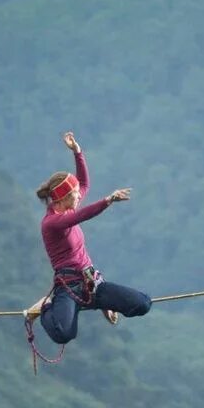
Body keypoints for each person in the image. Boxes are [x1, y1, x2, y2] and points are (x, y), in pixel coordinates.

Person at [25, 131, 151, 344]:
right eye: (74, 194)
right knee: (64, 334)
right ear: (63, 198)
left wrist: (77, 152)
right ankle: (45, 307)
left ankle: (101, 303)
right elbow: (84, 214)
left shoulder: (67, 207)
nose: (80, 195)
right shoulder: (52, 223)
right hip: (68, 286)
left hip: (91, 281)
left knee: (143, 303)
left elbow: (83, 184)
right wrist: (108, 200)